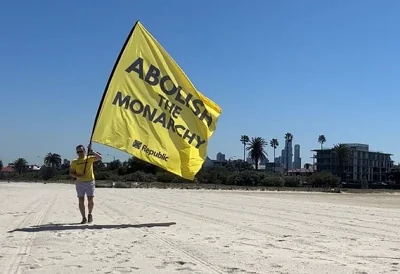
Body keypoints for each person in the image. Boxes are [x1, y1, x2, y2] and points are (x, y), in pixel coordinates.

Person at [69, 144, 102, 224]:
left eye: (81, 151)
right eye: (78, 151)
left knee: (90, 199)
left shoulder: (89, 158)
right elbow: (71, 173)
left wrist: (91, 151)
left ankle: (90, 214)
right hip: (80, 183)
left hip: (90, 181)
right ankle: (83, 217)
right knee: (81, 200)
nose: (79, 153)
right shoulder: (74, 161)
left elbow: (100, 158)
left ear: (84, 151)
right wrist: (79, 175)